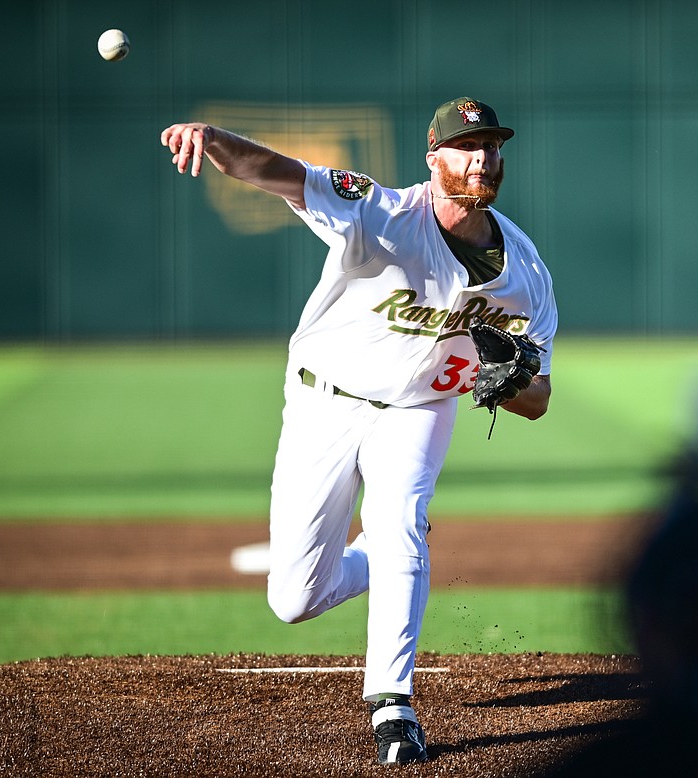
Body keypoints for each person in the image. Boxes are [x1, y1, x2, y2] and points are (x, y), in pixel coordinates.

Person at [159, 97, 558, 765]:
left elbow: (540, 399)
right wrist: (215, 140)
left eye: (491, 145)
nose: (482, 156)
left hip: (420, 408)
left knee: (403, 516)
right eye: (466, 145)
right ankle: (381, 556)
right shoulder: (379, 211)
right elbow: (282, 174)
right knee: (294, 598)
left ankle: (392, 704)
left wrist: (512, 383)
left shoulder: (524, 272)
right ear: (434, 159)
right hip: (324, 400)